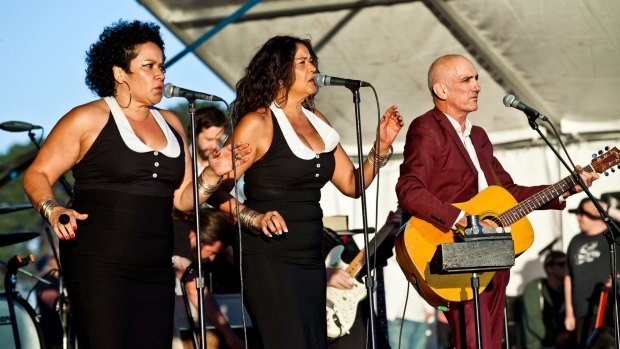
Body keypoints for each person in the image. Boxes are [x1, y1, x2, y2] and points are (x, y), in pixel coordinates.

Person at [22, 19, 249, 349]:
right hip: (99, 262)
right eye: (149, 66)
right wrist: (52, 208)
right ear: (119, 73)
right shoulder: (88, 118)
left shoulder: (171, 123)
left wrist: (212, 175)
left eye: (162, 65)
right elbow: (37, 174)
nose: (160, 74)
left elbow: (184, 201)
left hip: (155, 263)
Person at [209, 35, 403, 348]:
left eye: (312, 61)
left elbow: (352, 184)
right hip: (268, 255)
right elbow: (214, 191)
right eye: (303, 62)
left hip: (311, 254)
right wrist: (252, 217)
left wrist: (381, 146)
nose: (313, 68)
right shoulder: (257, 122)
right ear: (280, 71)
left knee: (313, 341)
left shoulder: (319, 122)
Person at [395, 54, 598, 349]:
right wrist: (462, 219)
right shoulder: (427, 129)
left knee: (489, 341)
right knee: (473, 340)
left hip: (493, 254)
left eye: (476, 78)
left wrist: (566, 188)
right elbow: (409, 189)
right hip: (453, 250)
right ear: (441, 90)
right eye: (466, 80)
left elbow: (508, 193)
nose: (477, 85)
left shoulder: (478, 136)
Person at [173, 207, 245, 349]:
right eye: (211, 252)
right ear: (195, 239)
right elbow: (195, 290)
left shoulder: (196, 237)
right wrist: (230, 336)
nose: (212, 259)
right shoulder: (180, 242)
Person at [564, 198, 619, 348]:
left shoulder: (614, 235)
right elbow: (568, 276)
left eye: (583, 214)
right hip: (582, 312)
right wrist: (569, 312)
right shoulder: (575, 240)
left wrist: (608, 210)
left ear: (597, 217)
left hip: (609, 309)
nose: (578, 217)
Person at [521, 250, 571, 349]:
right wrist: (556, 338)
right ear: (549, 268)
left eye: (568, 264)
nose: (566, 268)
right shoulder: (534, 288)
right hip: (541, 344)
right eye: (561, 264)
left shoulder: (570, 288)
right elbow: (533, 321)